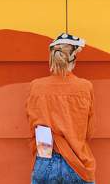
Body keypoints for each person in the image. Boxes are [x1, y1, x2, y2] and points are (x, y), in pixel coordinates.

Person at [26, 33, 96, 184]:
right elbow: (89, 132)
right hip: (77, 162)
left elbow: (32, 127)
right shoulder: (85, 87)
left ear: (52, 58)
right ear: (73, 59)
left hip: (45, 158)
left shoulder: (36, 87)